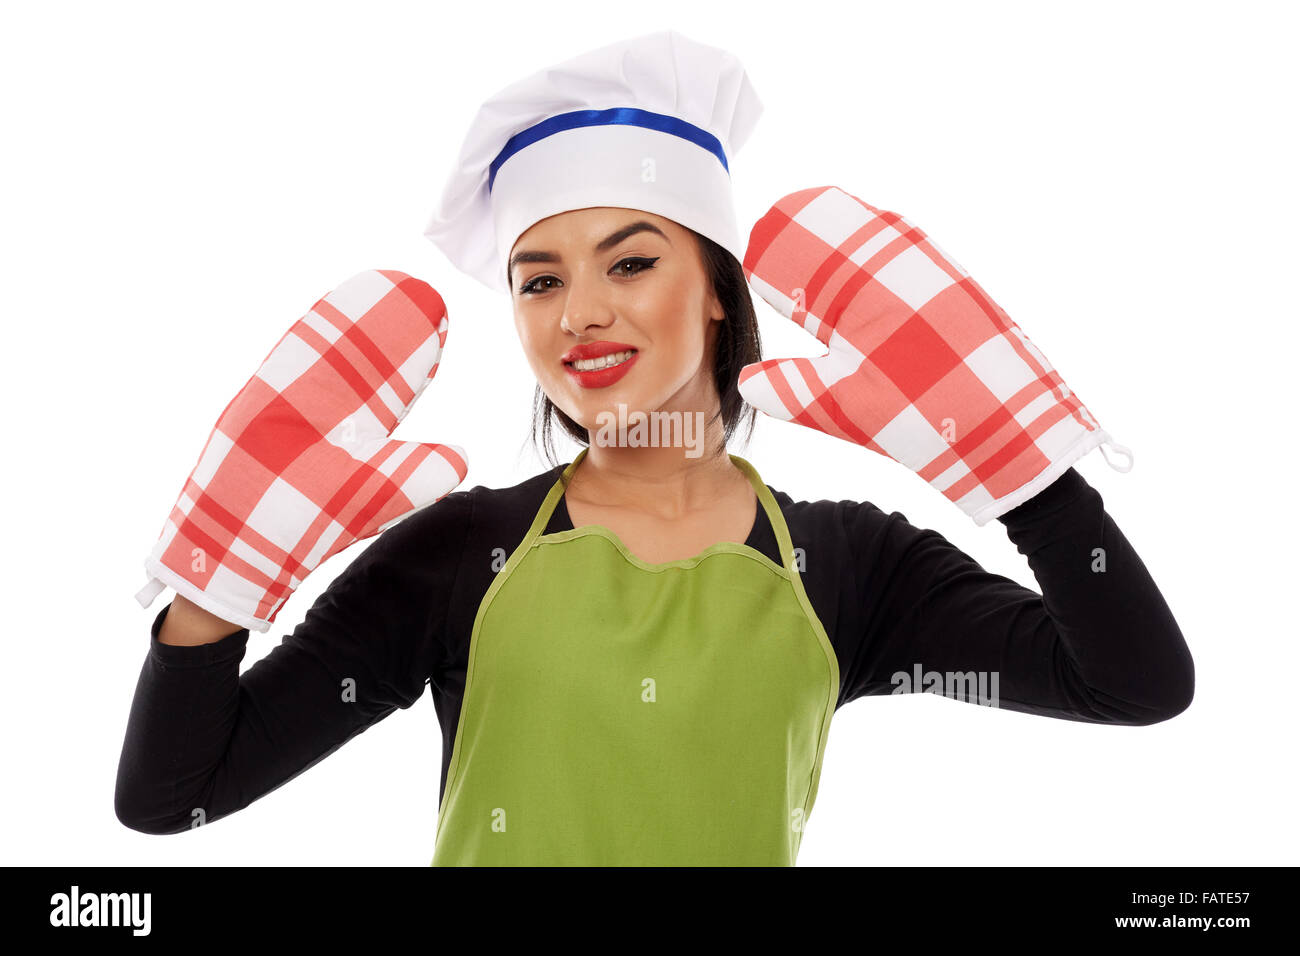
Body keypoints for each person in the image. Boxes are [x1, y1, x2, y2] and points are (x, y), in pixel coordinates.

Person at [115, 30, 1194, 866]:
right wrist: (222, 572)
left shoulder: (855, 567)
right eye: (538, 278)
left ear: (717, 294)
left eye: (629, 263)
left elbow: (1134, 683)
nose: (577, 311)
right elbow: (172, 795)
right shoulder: (459, 552)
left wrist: (1024, 472)